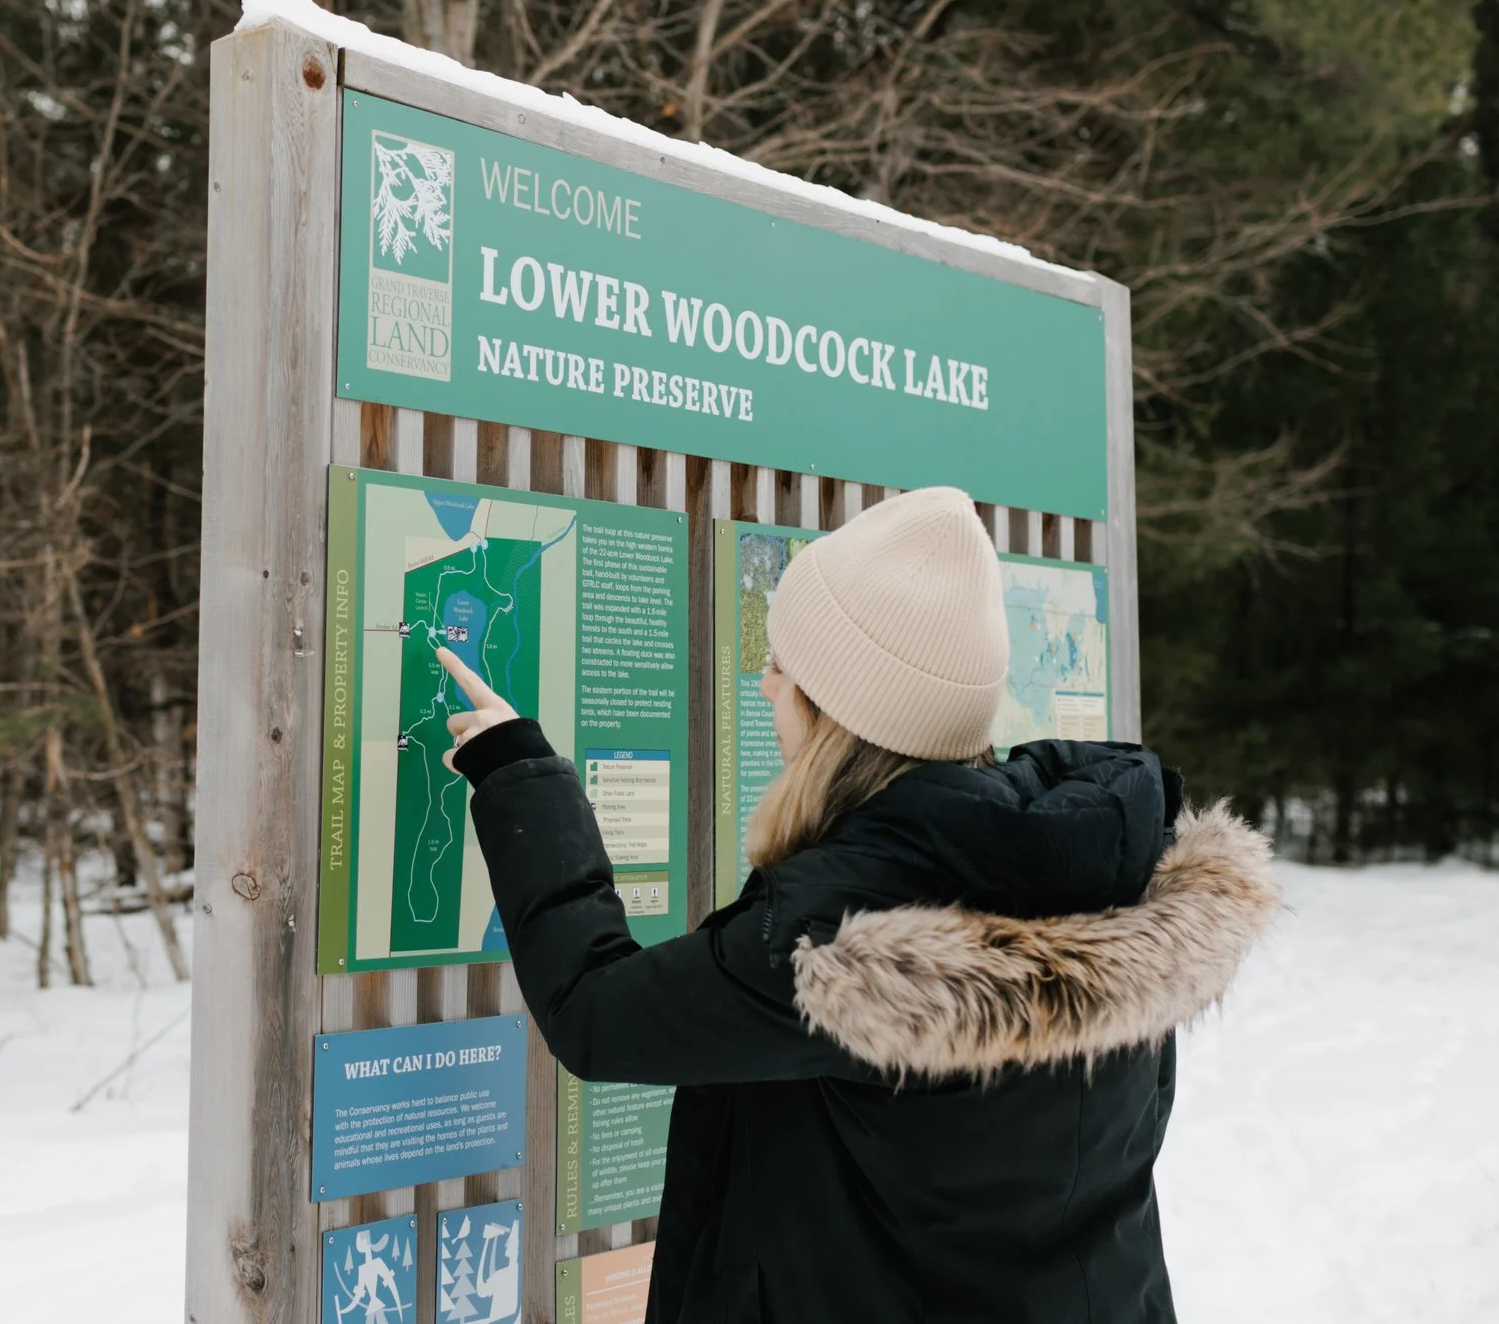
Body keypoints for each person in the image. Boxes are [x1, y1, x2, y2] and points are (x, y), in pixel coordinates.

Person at [435, 486, 1279, 1323]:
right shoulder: (1104, 873)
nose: (763, 686)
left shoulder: (848, 940)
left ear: (841, 713)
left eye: (782, 667)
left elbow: (596, 1011)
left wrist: (517, 773)